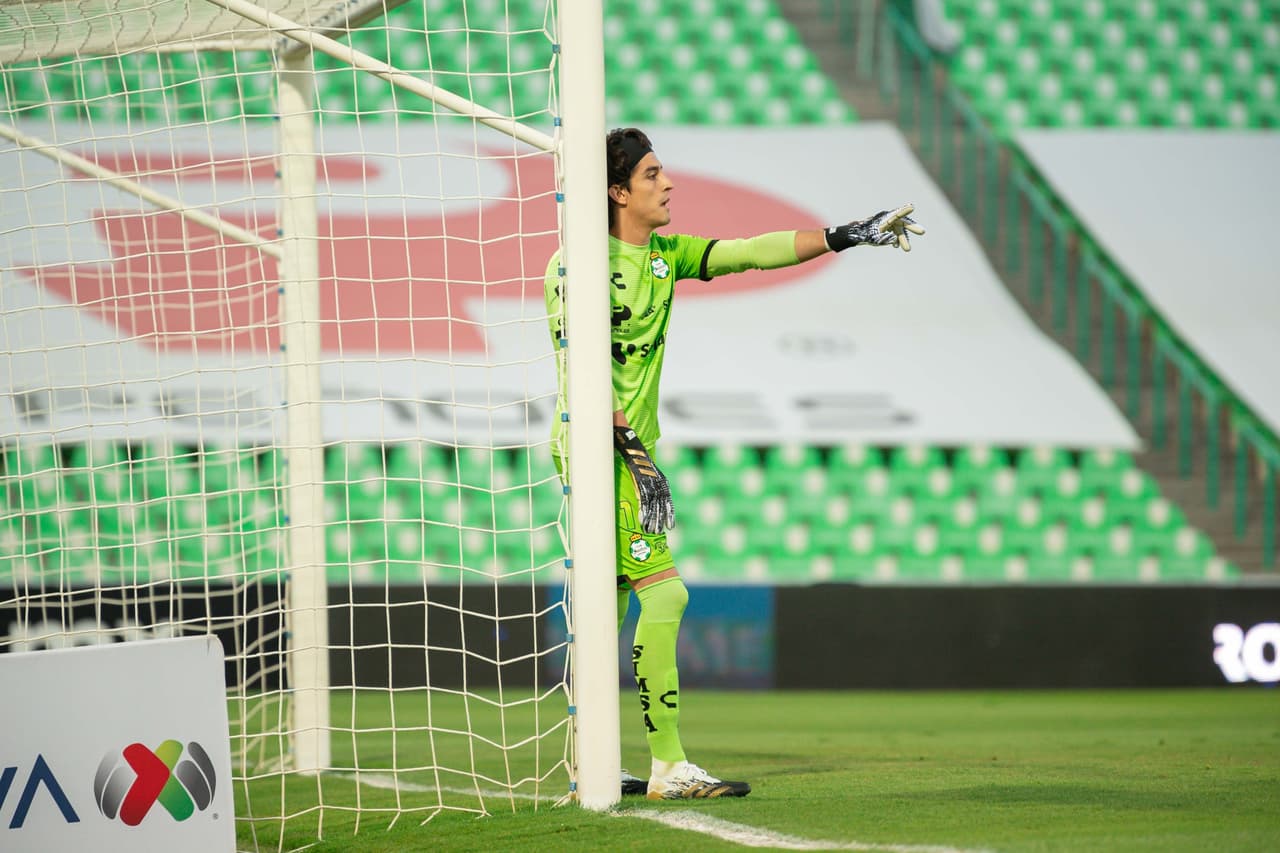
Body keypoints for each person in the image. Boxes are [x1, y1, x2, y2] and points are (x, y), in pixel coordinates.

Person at [544, 127, 923, 801]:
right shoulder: (576, 267)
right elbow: (582, 374)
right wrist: (634, 456)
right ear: (617, 191)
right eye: (652, 174)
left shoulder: (665, 256)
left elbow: (749, 252)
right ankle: (668, 766)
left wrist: (841, 235)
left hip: (632, 450)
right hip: (600, 449)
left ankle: (592, 763)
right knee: (666, 593)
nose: (668, 183)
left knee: (608, 603)